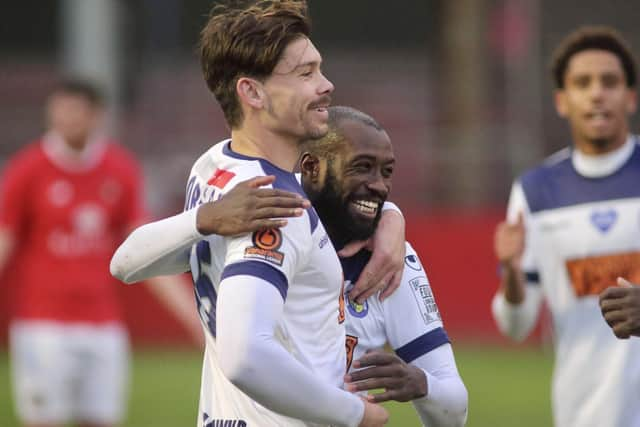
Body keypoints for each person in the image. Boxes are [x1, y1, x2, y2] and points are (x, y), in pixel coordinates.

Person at [114, 1, 403, 426]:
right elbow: (244, 356)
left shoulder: (214, 167)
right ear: (252, 92)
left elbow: (124, 262)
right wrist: (356, 414)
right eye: (305, 73)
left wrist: (390, 216)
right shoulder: (272, 203)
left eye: (319, 69)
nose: (326, 85)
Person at [0, 79, 203, 427]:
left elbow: (146, 248)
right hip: (42, 325)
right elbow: (3, 242)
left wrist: (193, 318)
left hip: (103, 326)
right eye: (59, 111)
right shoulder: (27, 169)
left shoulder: (119, 169)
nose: (66, 120)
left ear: (96, 116)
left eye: (75, 111)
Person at [491, 26, 640, 427]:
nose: (596, 93)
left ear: (630, 97)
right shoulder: (536, 191)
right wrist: (513, 273)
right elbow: (516, 326)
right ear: (562, 100)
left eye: (609, 82)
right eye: (582, 83)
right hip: (580, 413)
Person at [299, 106, 468, 426]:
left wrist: (421, 384)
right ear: (312, 168)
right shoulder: (266, 228)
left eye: (386, 172)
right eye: (362, 167)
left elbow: (455, 409)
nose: (379, 185)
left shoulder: (393, 264)